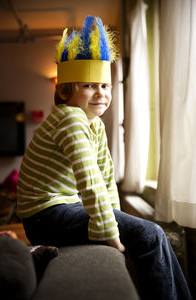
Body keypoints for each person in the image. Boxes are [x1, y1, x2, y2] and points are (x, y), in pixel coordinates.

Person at [16, 16, 192, 300]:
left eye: (105, 86)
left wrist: (115, 217)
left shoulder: (93, 124)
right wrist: (109, 233)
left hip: (63, 209)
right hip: (44, 216)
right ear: (64, 91)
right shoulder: (70, 119)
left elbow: (106, 177)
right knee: (150, 235)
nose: (100, 93)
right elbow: (90, 180)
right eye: (88, 86)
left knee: (152, 233)